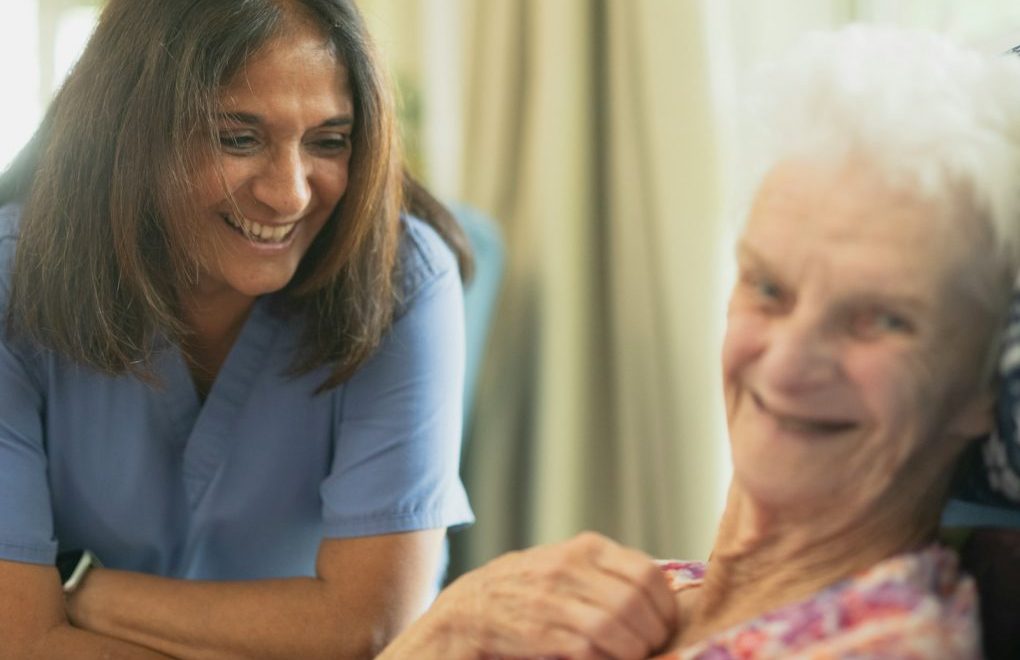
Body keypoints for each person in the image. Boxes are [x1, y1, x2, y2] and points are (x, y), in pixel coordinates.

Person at [378, 25, 1020, 659]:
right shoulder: (656, 591)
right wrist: (456, 623)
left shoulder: (880, 644)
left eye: (879, 320)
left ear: (981, 385)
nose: (789, 363)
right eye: (769, 288)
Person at [0, 0, 474, 657]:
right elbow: (20, 640)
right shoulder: (9, 287)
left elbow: (369, 626)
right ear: (127, 129)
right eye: (238, 138)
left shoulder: (401, 281)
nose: (290, 195)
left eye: (329, 140)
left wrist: (76, 589)